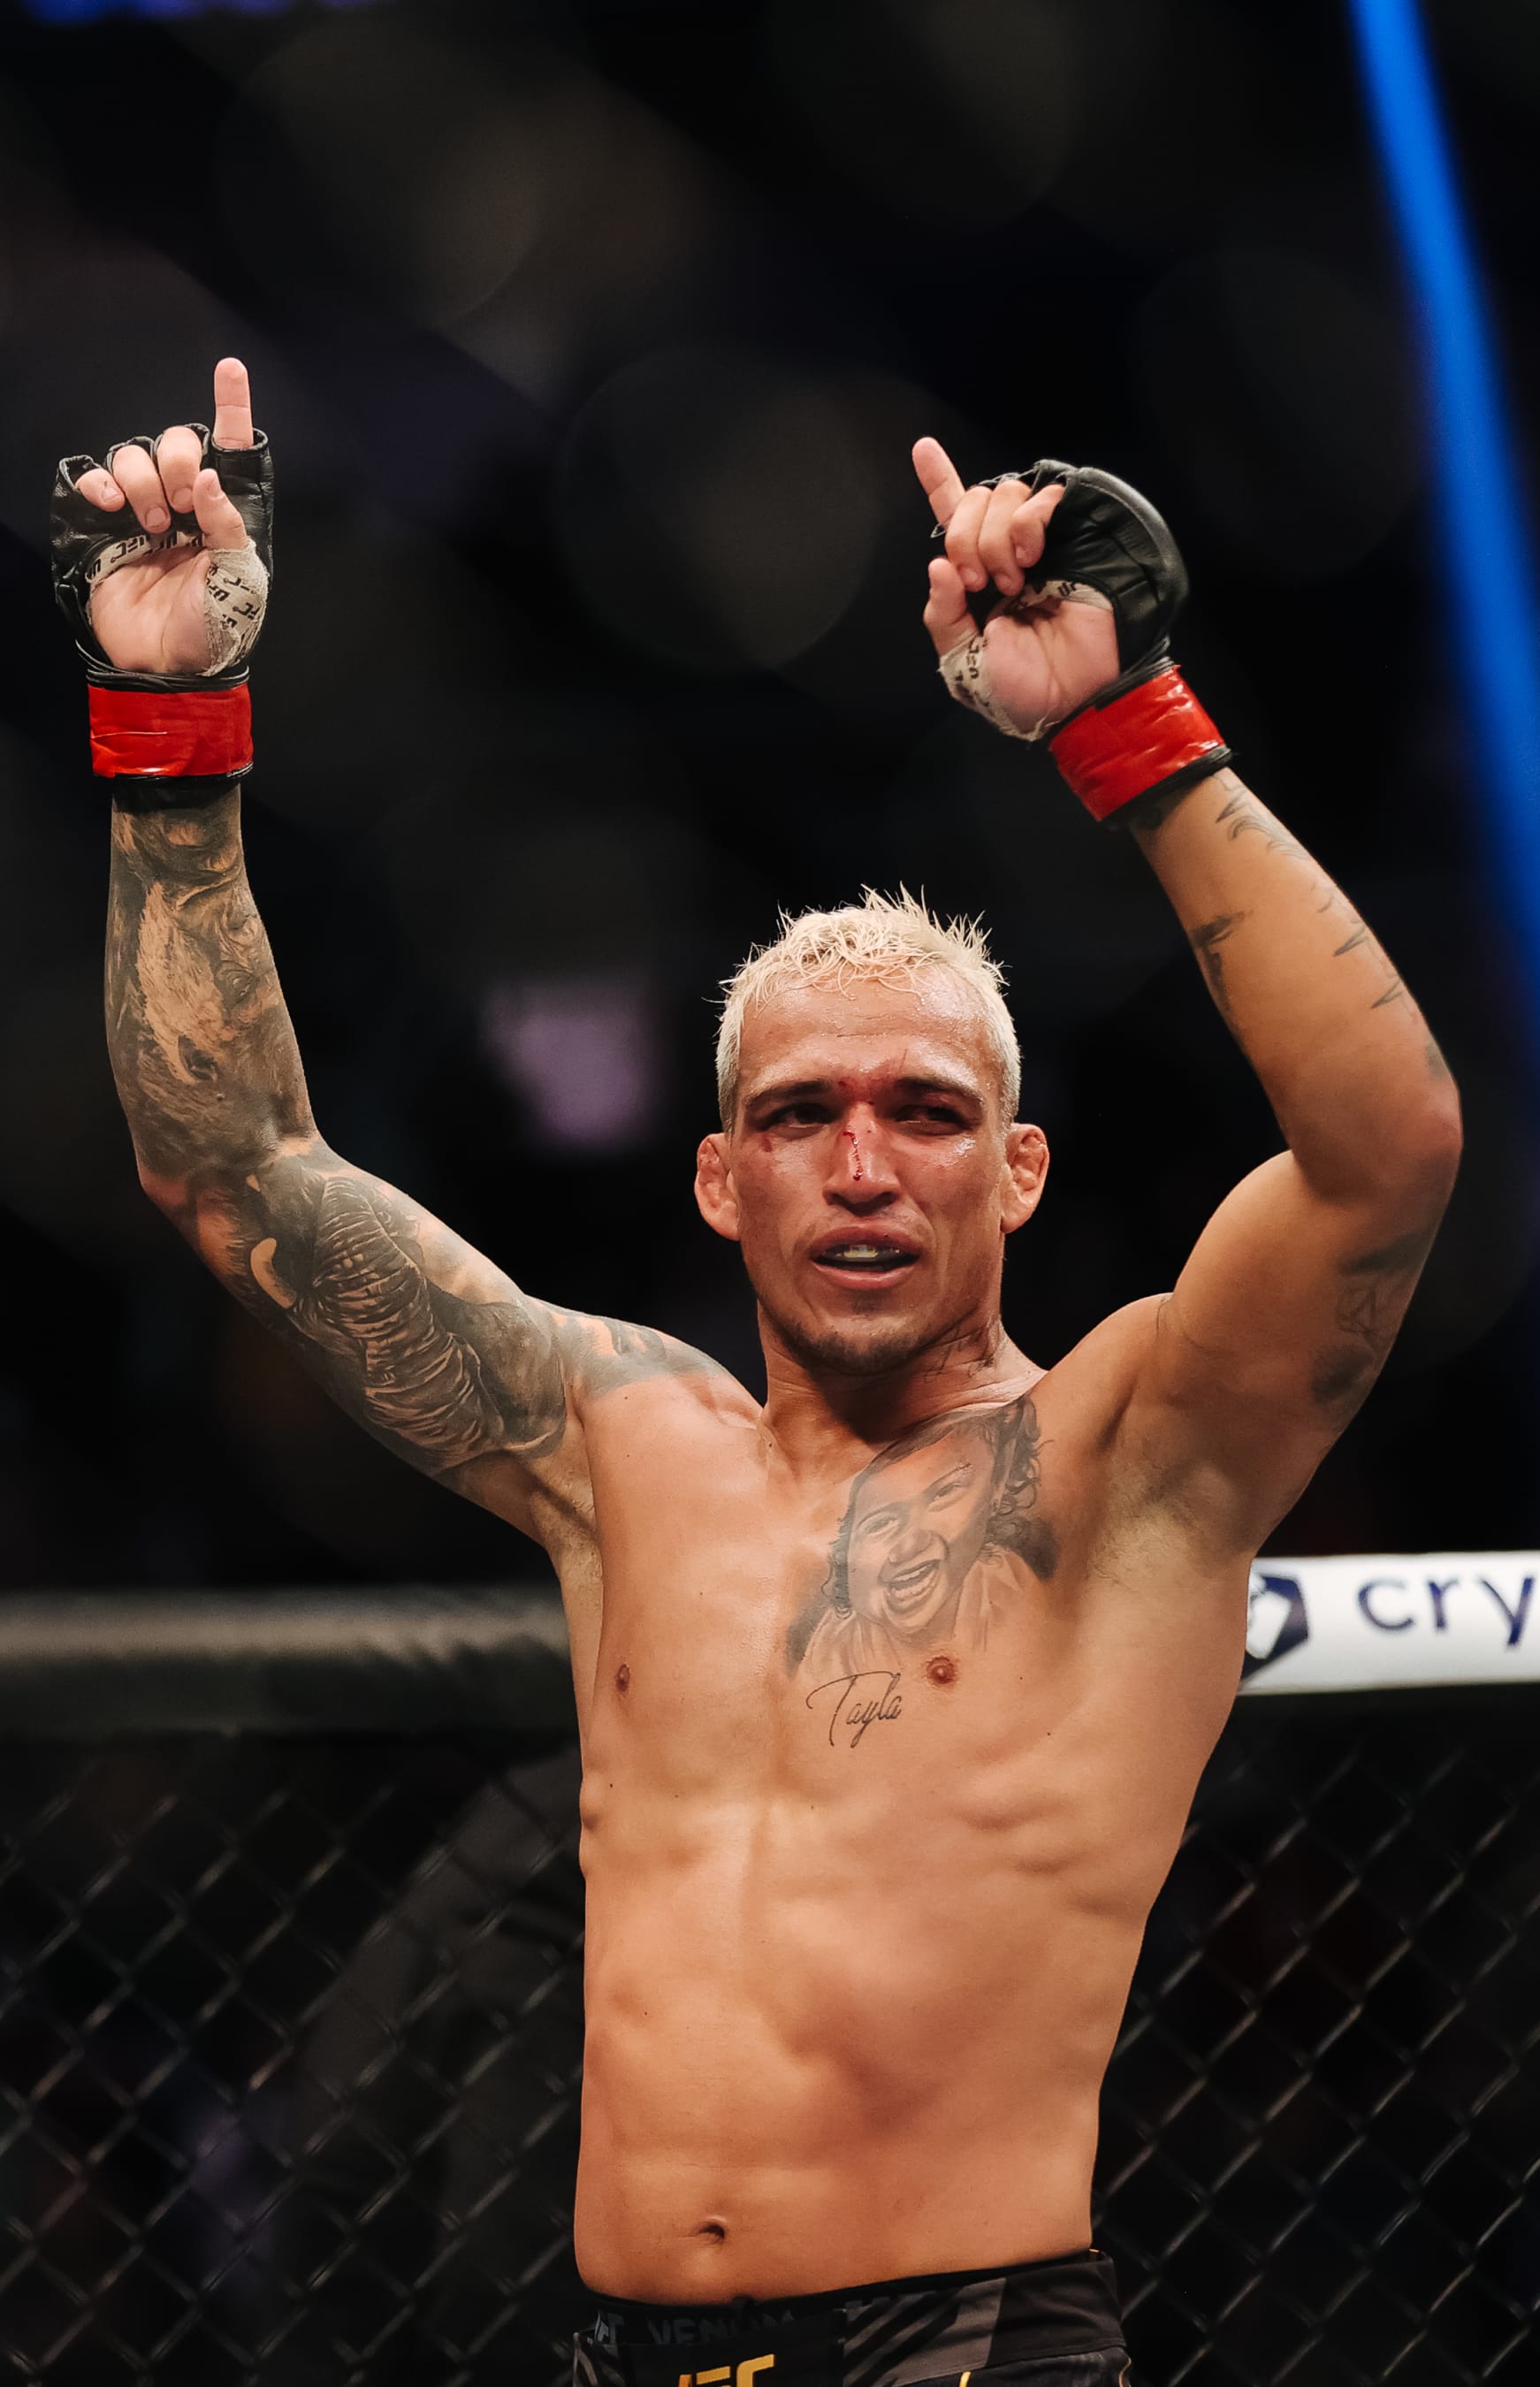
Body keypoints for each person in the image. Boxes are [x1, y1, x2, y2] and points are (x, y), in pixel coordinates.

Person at [57, 359, 1460, 2387]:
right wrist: (170, 729)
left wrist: (1130, 725)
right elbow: (231, 1164)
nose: (864, 1165)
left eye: (927, 1112)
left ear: (1021, 1170)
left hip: (960, 2346)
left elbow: (1388, 1150)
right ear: (722, 1181)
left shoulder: (1132, 1459)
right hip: (621, 2349)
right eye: (802, 1116)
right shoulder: (618, 1446)